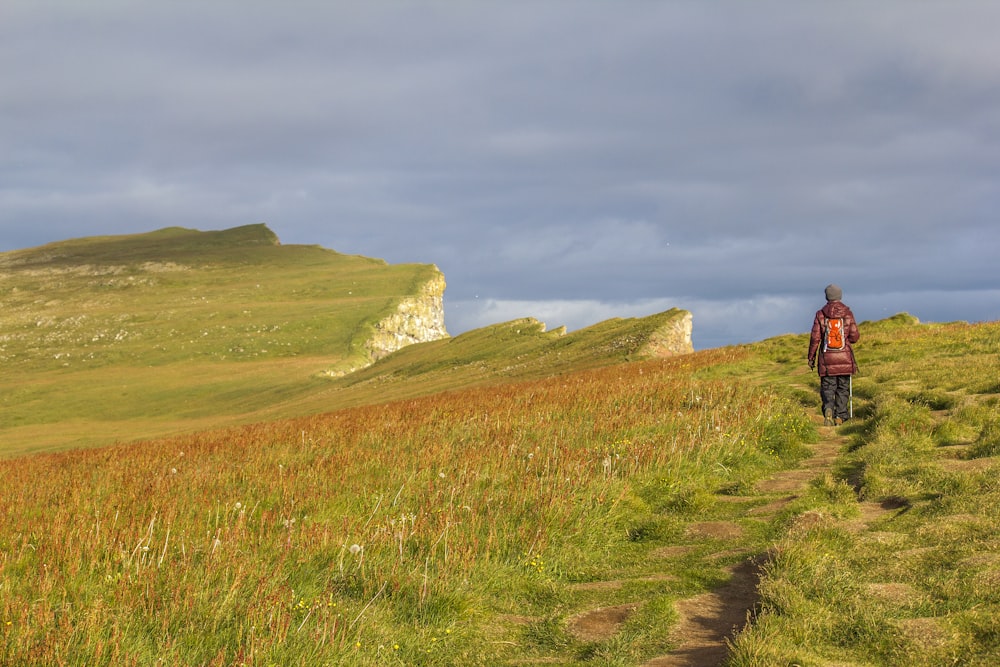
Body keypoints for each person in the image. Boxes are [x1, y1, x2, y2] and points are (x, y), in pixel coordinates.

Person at [807, 284, 860, 426]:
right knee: (843, 388)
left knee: (828, 387)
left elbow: (815, 338)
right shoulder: (847, 313)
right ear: (840, 295)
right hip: (844, 358)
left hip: (826, 359)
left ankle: (828, 409)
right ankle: (840, 416)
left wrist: (811, 357)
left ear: (827, 296)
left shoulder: (820, 314)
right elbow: (855, 337)